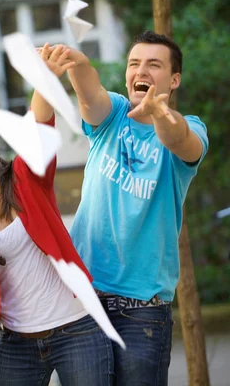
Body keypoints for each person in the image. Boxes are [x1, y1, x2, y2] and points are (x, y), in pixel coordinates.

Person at [0, 47, 114, 386]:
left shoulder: (24, 178)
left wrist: (43, 76)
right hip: (18, 341)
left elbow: (37, 126)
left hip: (77, 327)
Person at [60, 31, 208, 385]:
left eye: (153, 65)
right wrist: (76, 62)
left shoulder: (191, 127)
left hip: (143, 309)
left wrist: (160, 114)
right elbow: (89, 94)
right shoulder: (114, 115)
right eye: (134, 64)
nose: (141, 70)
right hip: (84, 298)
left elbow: (179, 141)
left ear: (174, 80)